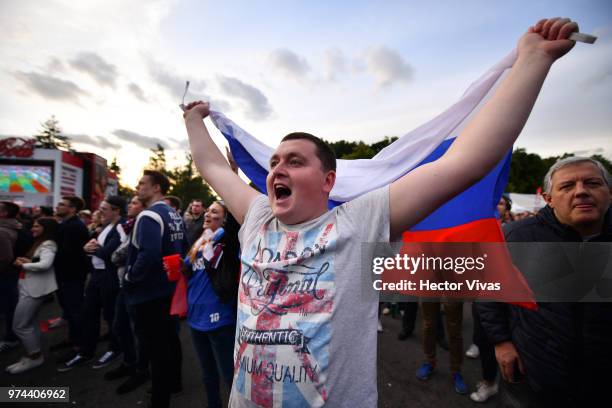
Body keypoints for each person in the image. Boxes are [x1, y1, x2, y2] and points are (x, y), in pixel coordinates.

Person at [183, 17, 579, 407]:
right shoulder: (257, 218)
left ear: (328, 181)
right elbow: (214, 166)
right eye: (273, 163)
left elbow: (465, 161)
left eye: (294, 161)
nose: (277, 170)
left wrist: (533, 60)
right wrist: (193, 120)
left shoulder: (359, 222)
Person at [478, 156, 611, 407]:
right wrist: (501, 341)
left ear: (609, 192)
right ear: (548, 199)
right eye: (567, 186)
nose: (581, 191)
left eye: (592, 183)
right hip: (536, 373)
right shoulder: (515, 237)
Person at [124, 170, 188, 408]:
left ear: (157, 188)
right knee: (170, 341)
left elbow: (148, 254)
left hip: (149, 293)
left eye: (142, 183)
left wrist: (130, 278)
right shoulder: (174, 214)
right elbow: (184, 248)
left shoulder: (149, 215)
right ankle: (175, 383)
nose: (137, 187)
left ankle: (160, 400)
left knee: (156, 349)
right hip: (168, 290)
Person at [57, 196, 126, 371]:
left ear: (116, 210)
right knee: (89, 314)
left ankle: (115, 348)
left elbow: (109, 254)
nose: (99, 212)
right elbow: (93, 247)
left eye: (104, 209)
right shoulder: (105, 227)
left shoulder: (120, 227)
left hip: (108, 277)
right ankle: (86, 351)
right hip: (96, 276)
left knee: (111, 317)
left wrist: (89, 249)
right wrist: (89, 247)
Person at [185, 200, 239, 408]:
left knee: (228, 374)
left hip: (218, 317)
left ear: (224, 218)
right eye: (207, 210)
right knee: (207, 375)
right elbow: (189, 268)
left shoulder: (227, 241)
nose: (207, 214)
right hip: (195, 315)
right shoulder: (200, 239)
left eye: (214, 212)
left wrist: (233, 175)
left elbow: (234, 225)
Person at [105, 195, 151, 395]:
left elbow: (119, 254)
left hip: (133, 285)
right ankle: (129, 362)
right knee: (119, 325)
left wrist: (130, 276)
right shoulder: (128, 225)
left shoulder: (142, 225)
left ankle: (141, 369)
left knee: (139, 330)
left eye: (134, 203)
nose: (129, 206)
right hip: (125, 283)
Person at [5, 217, 59, 374]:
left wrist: (24, 264)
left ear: (45, 228)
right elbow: (38, 261)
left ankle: (35, 357)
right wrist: (28, 261)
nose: (32, 228)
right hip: (29, 287)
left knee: (20, 326)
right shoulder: (42, 243)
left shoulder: (48, 244)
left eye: (36, 226)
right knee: (29, 324)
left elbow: (45, 264)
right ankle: (33, 354)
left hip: (33, 290)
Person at [52, 196, 91, 351]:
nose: (58, 206)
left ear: (72, 209)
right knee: (69, 309)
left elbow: (67, 253)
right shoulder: (67, 224)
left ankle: (79, 345)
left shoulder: (74, 226)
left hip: (72, 275)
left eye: (62, 204)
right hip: (66, 274)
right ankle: (72, 339)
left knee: (75, 310)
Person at [0, 201, 27, 353]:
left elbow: (5, 258)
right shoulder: (16, 225)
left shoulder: (3, 231)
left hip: (6, 274)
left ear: (4, 214)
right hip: (13, 273)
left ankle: (11, 338)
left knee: (9, 306)